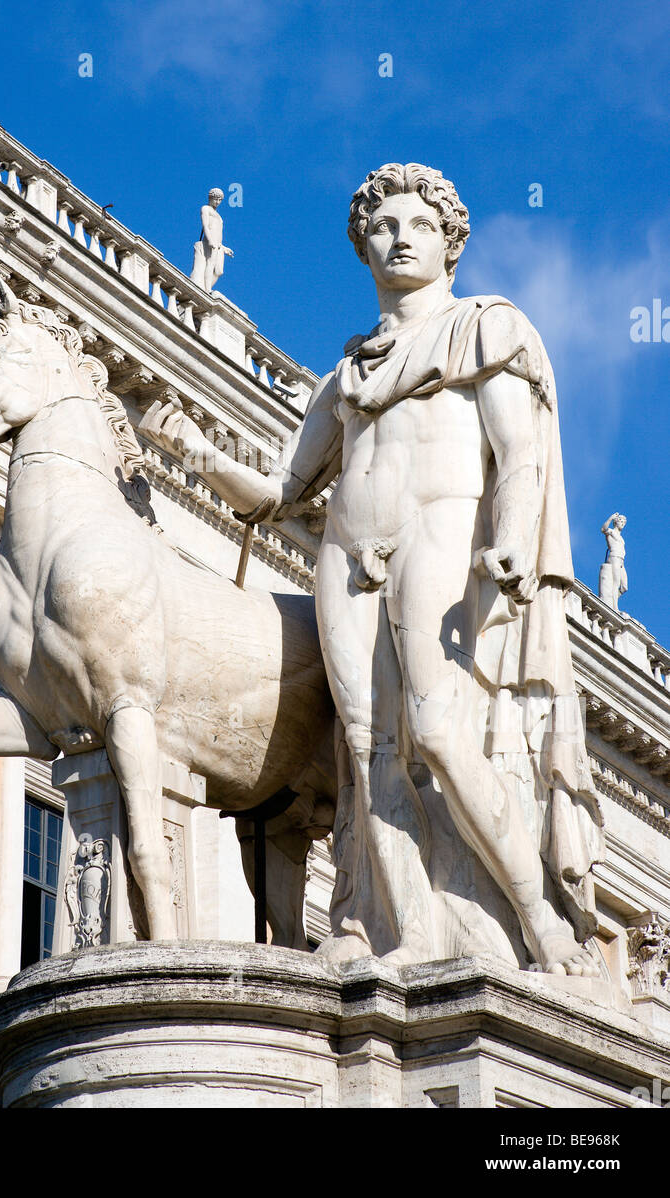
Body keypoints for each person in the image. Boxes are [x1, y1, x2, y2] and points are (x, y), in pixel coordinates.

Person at [142, 162, 604, 976]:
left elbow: (521, 449)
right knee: (367, 753)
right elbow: (286, 489)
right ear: (362, 247)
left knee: (435, 732)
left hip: (443, 537)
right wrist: (200, 452)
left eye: (418, 226)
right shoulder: (347, 373)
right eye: (383, 227)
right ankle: (413, 935)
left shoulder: (482, 329)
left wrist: (514, 535)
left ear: (450, 244)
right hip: (345, 555)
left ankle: (539, 919)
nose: (399, 239)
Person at [189, 188, 233, 293]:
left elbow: (219, 231)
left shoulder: (218, 215)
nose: (217, 202)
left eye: (220, 200)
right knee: (210, 264)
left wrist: (224, 248)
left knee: (219, 271)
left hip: (218, 245)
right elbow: (205, 226)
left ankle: (205, 288)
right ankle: (207, 289)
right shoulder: (205, 209)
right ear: (210, 198)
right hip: (210, 242)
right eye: (216, 199)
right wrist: (210, 240)